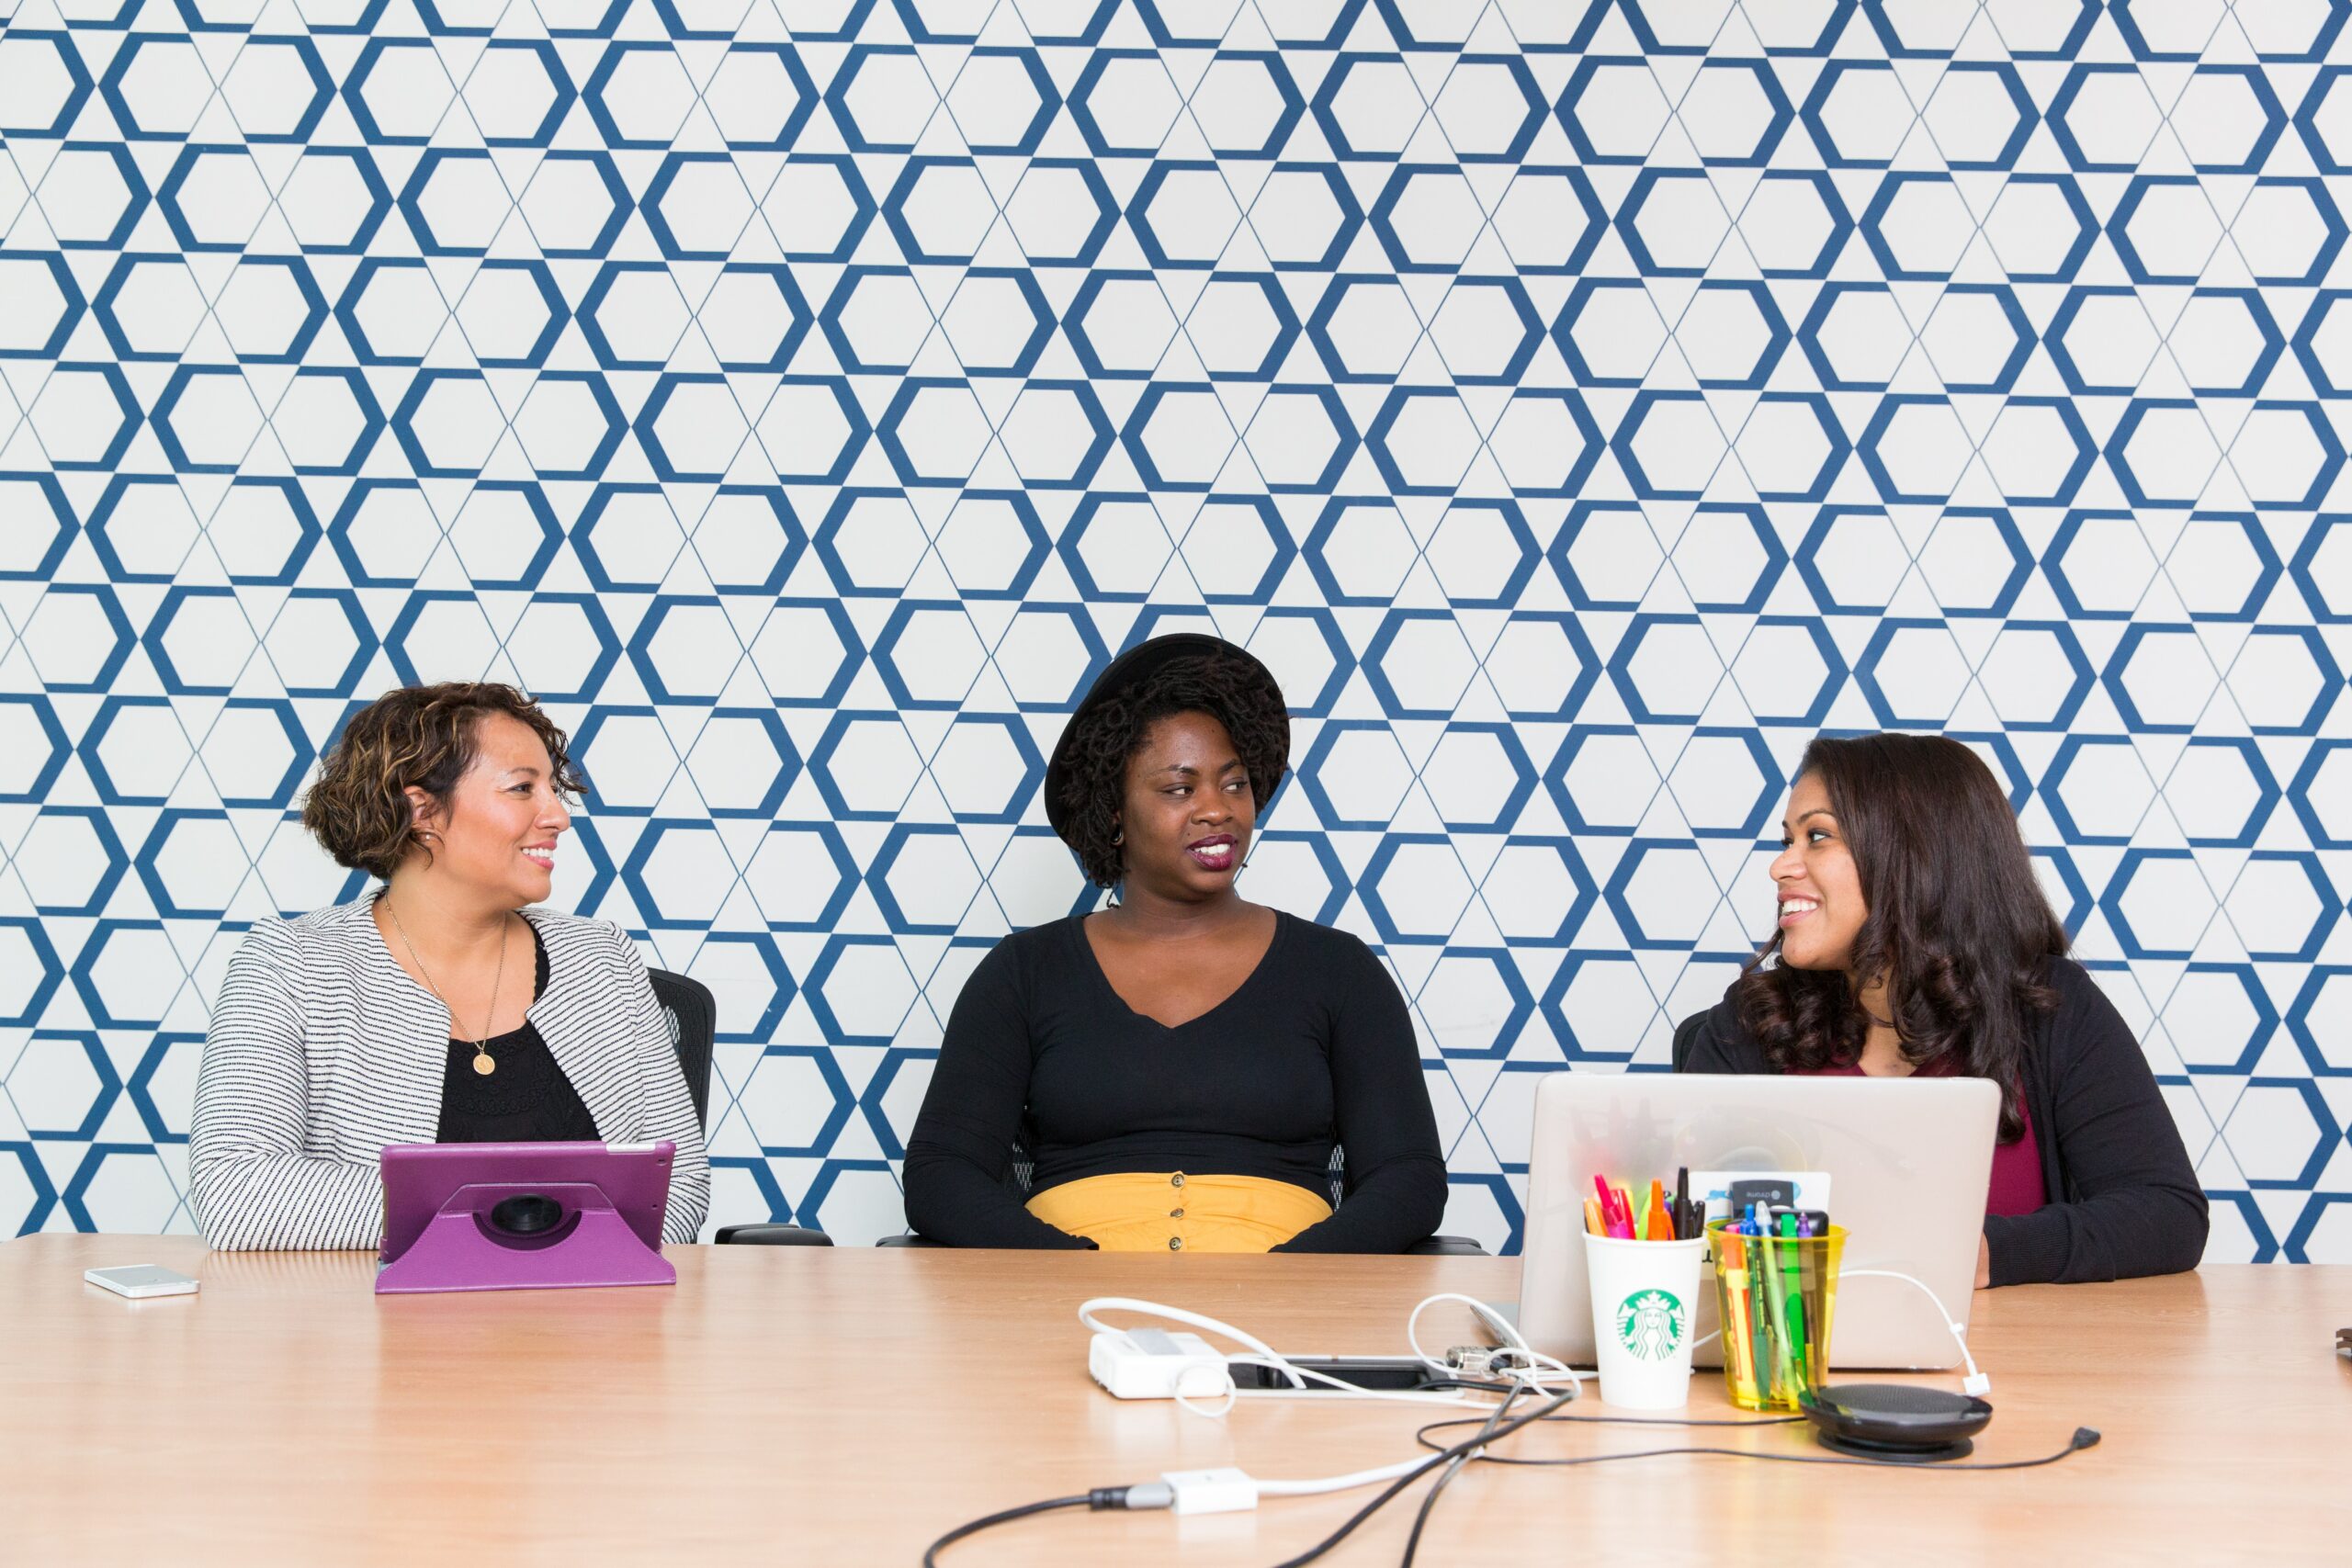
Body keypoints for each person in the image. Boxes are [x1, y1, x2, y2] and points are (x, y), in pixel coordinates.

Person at [902, 634, 1447, 1251]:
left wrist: (1289, 1277)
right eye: (1179, 789)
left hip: (1284, 1314)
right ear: (1114, 812)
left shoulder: (1340, 971)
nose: (1217, 810)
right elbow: (940, 1175)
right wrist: (1074, 1273)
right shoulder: (1022, 974)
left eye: (1234, 784)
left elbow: (1408, 1177)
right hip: (1068, 1305)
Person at [1677, 732, 2207, 1287]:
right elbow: (1690, 1233)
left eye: (1817, 837)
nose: (1781, 867)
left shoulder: (2049, 1006)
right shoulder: (1752, 1021)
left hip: (2012, 1365)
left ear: (1914, 854)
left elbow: (2167, 1215)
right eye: (1788, 840)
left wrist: (1984, 1254)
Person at [190, 682, 708, 1250]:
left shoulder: (602, 959)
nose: (558, 816)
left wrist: (461, 1213)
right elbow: (233, 1194)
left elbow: (677, 1187)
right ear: (422, 811)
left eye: (552, 790)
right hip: (374, 1334)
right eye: (522, 789)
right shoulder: (290, 965)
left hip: (592, 1324)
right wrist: (517, 1216)